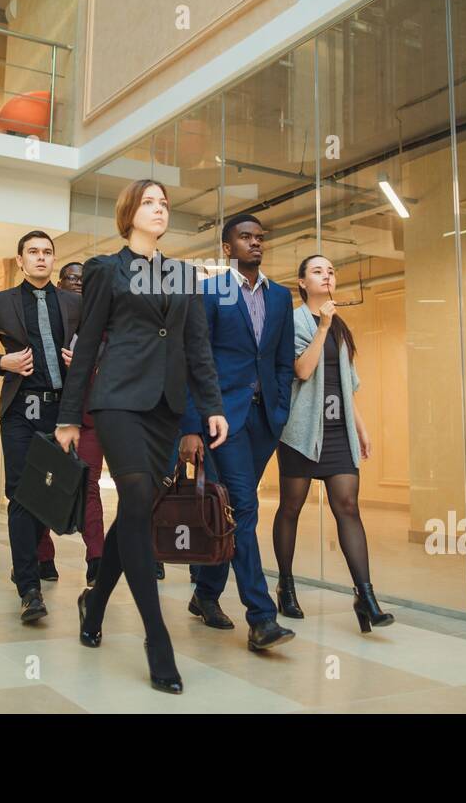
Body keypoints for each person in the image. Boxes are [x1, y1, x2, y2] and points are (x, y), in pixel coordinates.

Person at [56, 179, 228, 695]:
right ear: (129, 213)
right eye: (149, 203)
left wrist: (212, 408)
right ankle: (158, 639)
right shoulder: (105, 269)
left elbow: (197, 346)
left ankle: (95, 604)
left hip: (165, 411)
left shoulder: (183, 274)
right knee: (133, 498)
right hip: (117, 401)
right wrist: (69, 415)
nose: (159, 209)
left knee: (134, 514)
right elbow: (87, 345)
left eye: (164, 203)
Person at [179, 214, 296, 651]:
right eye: (245, 238)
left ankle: (205, 594)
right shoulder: (210, 292)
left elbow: (283, 361)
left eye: (260, 238)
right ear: (227, 249)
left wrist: (280, 407)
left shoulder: (281, 298)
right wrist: (191, 426)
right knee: (244, 507)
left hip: (264, 422)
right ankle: (261, 617)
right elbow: (194, 362)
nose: (255, 243)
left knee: (228, 510)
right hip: (220, 420)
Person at [0, 231, 80, 624]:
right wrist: (2, 363)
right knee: (21, 496)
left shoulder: (74, 302)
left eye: (48, 253)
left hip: (61, 412)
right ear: (20, 260)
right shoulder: (1, 302)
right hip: (19, 412)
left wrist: (80, 357)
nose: (42, 258)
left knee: (50, 498)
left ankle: (26, 562)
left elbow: (100, 345)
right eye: (34, 252)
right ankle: (29, 589)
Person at [274, 254, 394, 633]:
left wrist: (360, 426)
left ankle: (366, 595)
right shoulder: (293, 321)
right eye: (317, 271)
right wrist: (322, 326)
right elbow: (303, 370)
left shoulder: (341, 326)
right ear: (302, 283)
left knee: (348, 507)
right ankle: (286, 586)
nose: (326, 276)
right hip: (301, 431)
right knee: (291, 507)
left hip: (338, 430)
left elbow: (347, 385)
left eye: (330, 271)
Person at [33, 261, 106, 587]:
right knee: (45, 486)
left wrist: (87, 366)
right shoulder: (48, 321)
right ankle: (43, 557)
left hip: (89, 419)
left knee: (89, 487)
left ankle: (96, 558)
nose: (78, 283)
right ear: (60, 282)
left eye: (83, 280)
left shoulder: (102, 323)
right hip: (50, 417)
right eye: (72, 278)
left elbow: (114, 368)